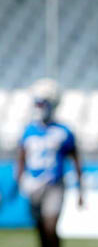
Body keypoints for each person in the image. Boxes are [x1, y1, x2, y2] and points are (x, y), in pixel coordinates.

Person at [15, 78, 83, 247]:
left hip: (54, 184)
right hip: (33, 184)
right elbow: (22, 157)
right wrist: (20, 180)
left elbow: (76, 161)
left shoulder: (64, 131)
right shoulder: (29, 130)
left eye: (42, 103)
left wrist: (81, 190)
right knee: (41, 229)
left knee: (50, 227)